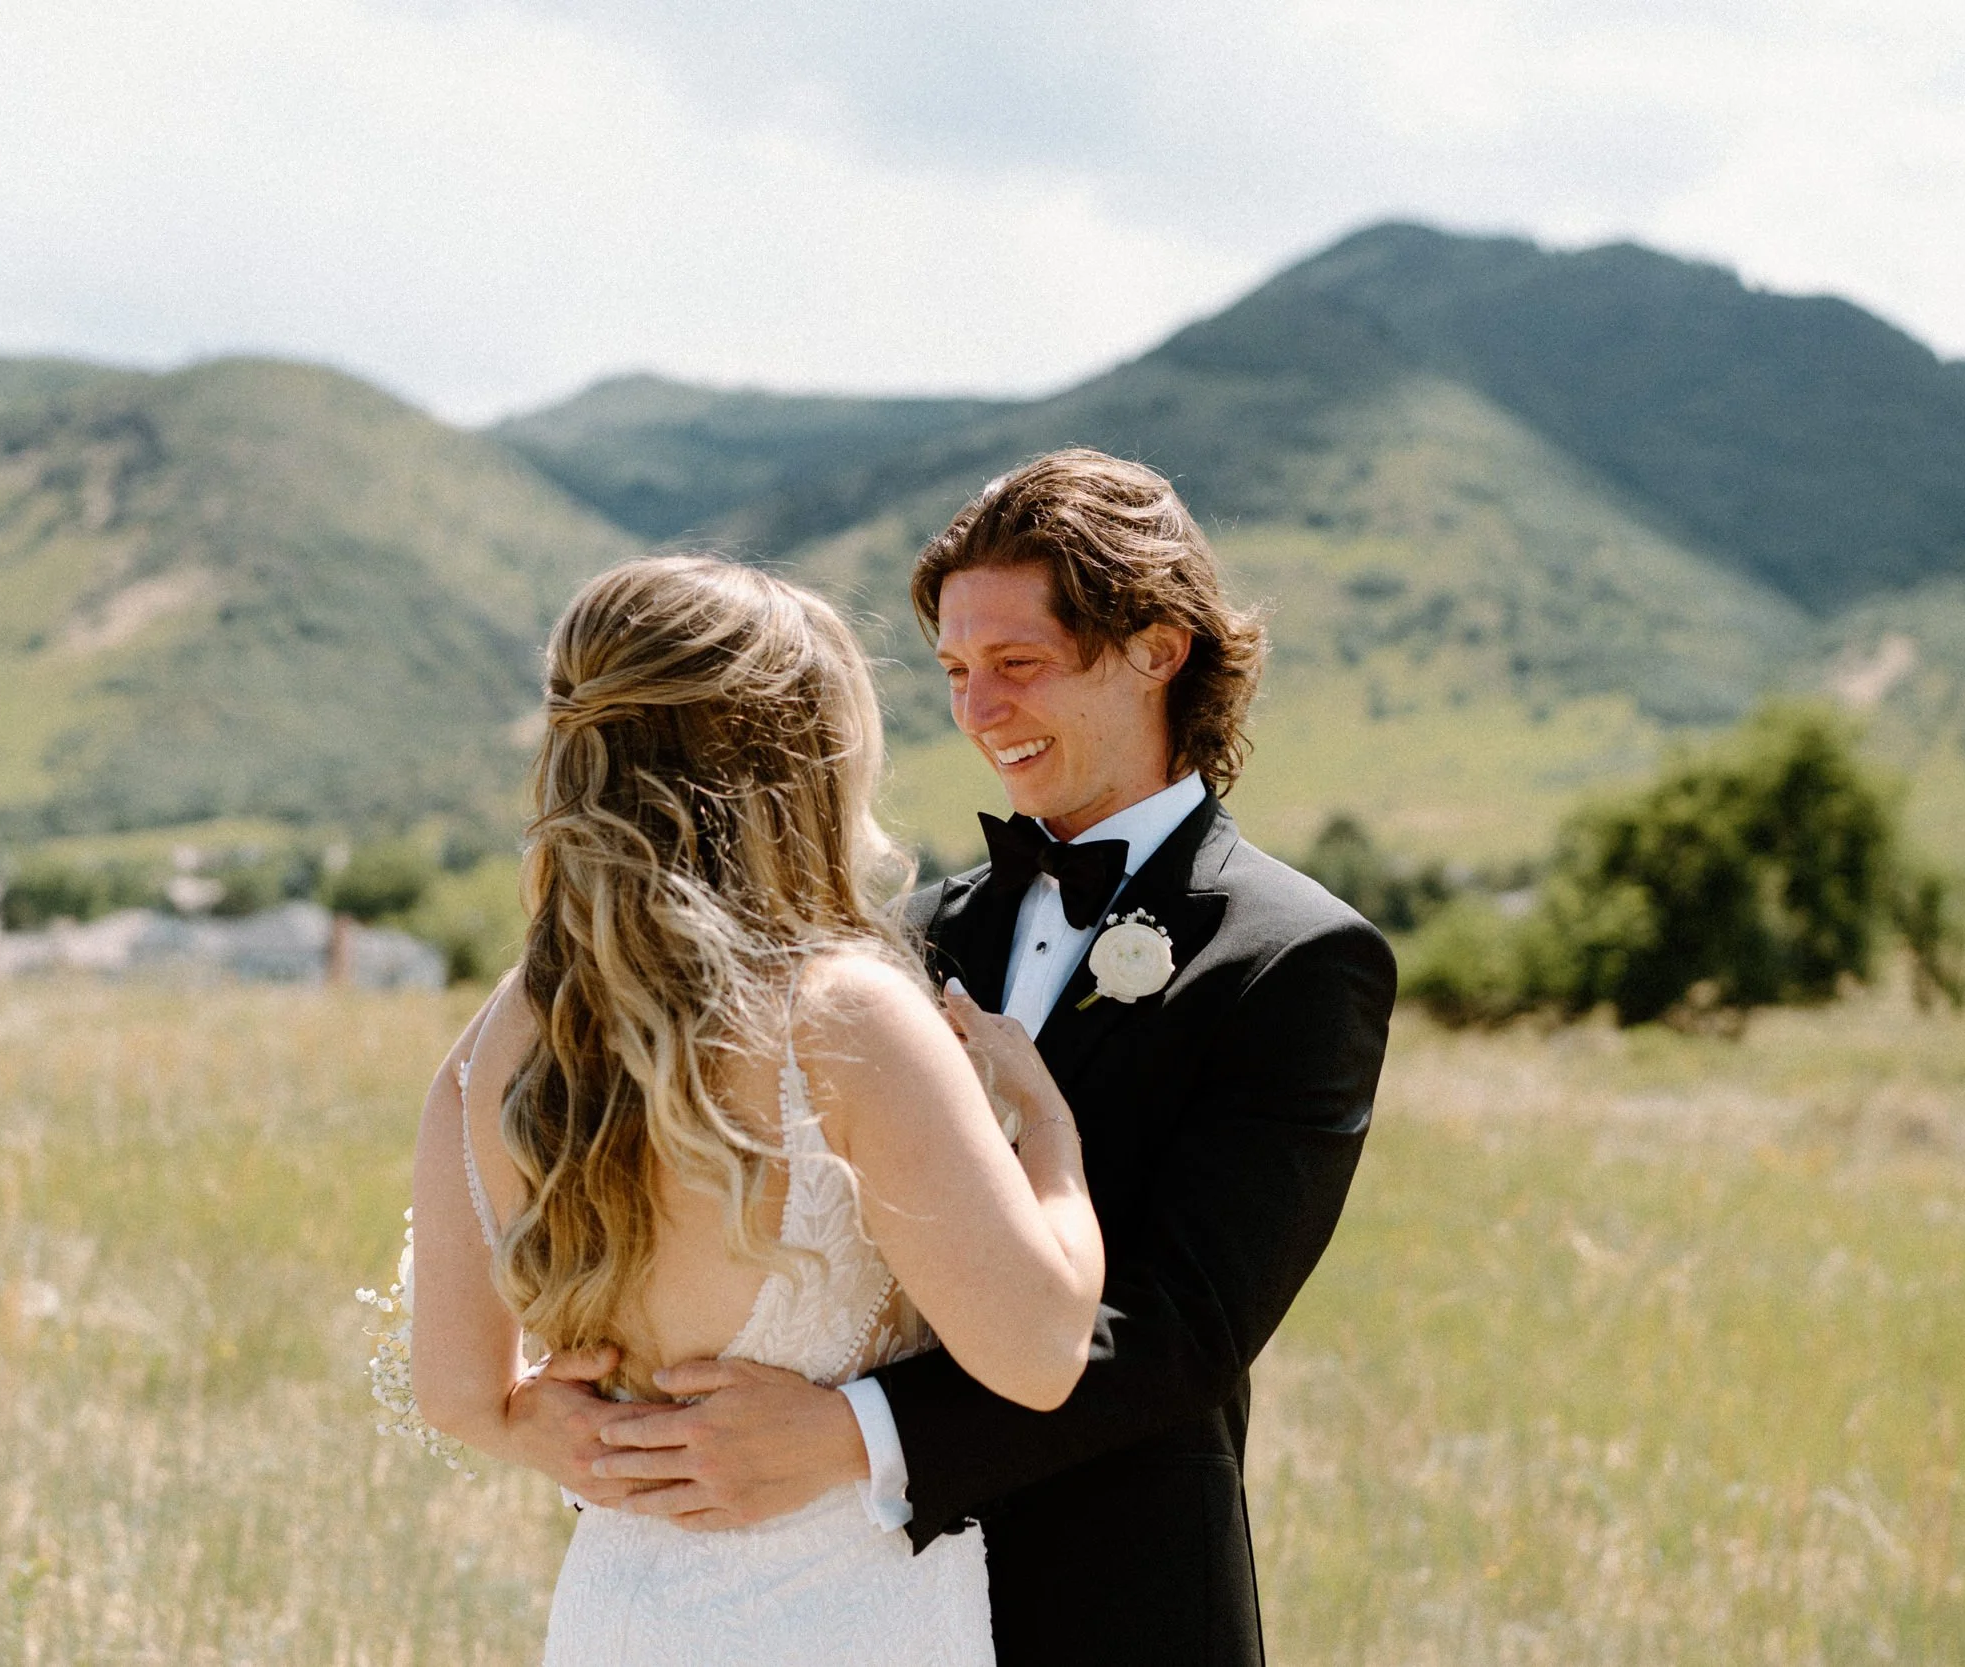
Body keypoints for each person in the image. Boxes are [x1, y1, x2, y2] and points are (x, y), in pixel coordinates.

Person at [577, 450, 1398, 1666]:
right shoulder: (893, 940)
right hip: (840, 1594)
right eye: (957, 671)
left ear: (1158, 648)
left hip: (1110, 1596)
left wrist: (850, 1435)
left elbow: (1181, 1331)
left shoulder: (1296, 957)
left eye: (1018, 663)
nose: (977, 710)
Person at [407, 553, 1107, 1665]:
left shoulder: (504, 1030)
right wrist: (1051, 1136)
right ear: (793, 763)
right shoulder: (846, 1017)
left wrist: (575, 1436)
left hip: (616, 1619)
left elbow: (456, 1392)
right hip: (842, 1625)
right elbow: (1042, 1351)